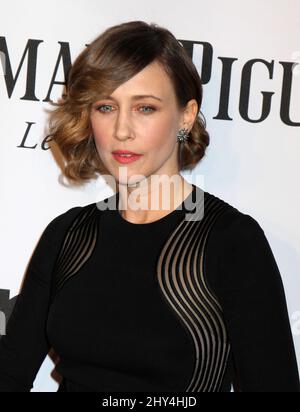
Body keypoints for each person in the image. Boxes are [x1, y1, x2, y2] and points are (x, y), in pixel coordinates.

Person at [0, 20, 299, 393]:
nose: (122, 129)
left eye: (145, 108)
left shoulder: (231, 241)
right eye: (106, 106)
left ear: (186, 116)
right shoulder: (67, 235)